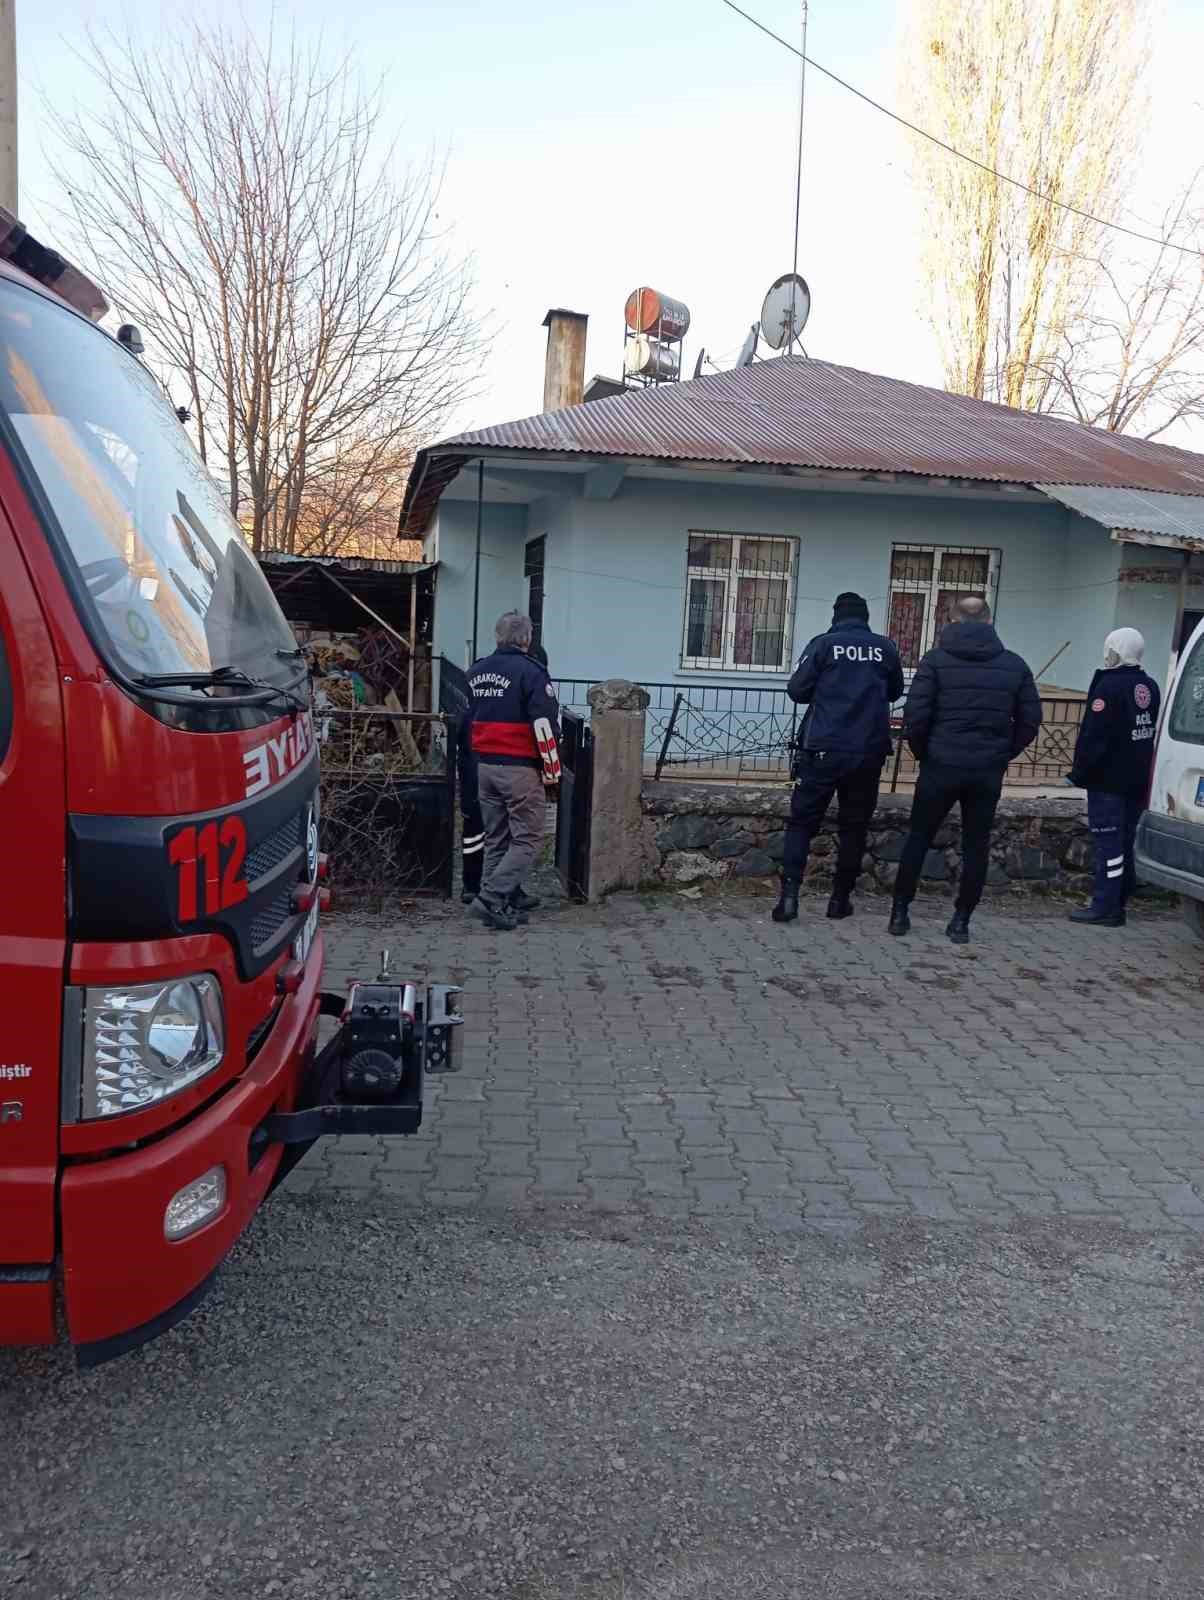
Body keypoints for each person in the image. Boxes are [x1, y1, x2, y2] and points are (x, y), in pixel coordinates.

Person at [890, 596, 1041, 944]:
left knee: (918, 837)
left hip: (940, 765)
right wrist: (1003, 753)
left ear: (953, 621)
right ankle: (961, 921)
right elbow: (1030, 720)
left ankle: (900, 914)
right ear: (988, 622)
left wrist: (926, 753)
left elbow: (916, 715)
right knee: (976, 845)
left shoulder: (935, 661)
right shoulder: (1014, 665)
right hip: (986, 770)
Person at [772, 592, 904, 923]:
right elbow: (895, 691)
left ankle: (789, 899)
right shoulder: (885, 647)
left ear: (836, 616)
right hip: (868, 750)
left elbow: (796, 690)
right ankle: (839, 901)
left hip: (823, 749)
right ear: (865, 617)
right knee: (854, 827)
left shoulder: (823, 644)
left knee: (802, 823)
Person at [466, 612, 561, 931]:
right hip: (518, 768)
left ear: (497, 636)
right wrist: (552, 771)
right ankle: (491, 898)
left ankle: (496, 901)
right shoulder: (531, 672)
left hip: (485, 766)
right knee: (528, 838)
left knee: (496, 838)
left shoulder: (476, 671)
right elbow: (544, 727)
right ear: (526, 638)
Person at [1066, 627, 1161, 928]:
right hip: (1136, 781)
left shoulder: (1109, 688)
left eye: (1109, 650)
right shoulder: (1149, 686)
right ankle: (1119, 902)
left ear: (1116, 652)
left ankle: (1105, 906)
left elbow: (1095, 738)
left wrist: (1077, 774)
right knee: (1124, 842)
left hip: (1108, 782)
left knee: (1109, 845)